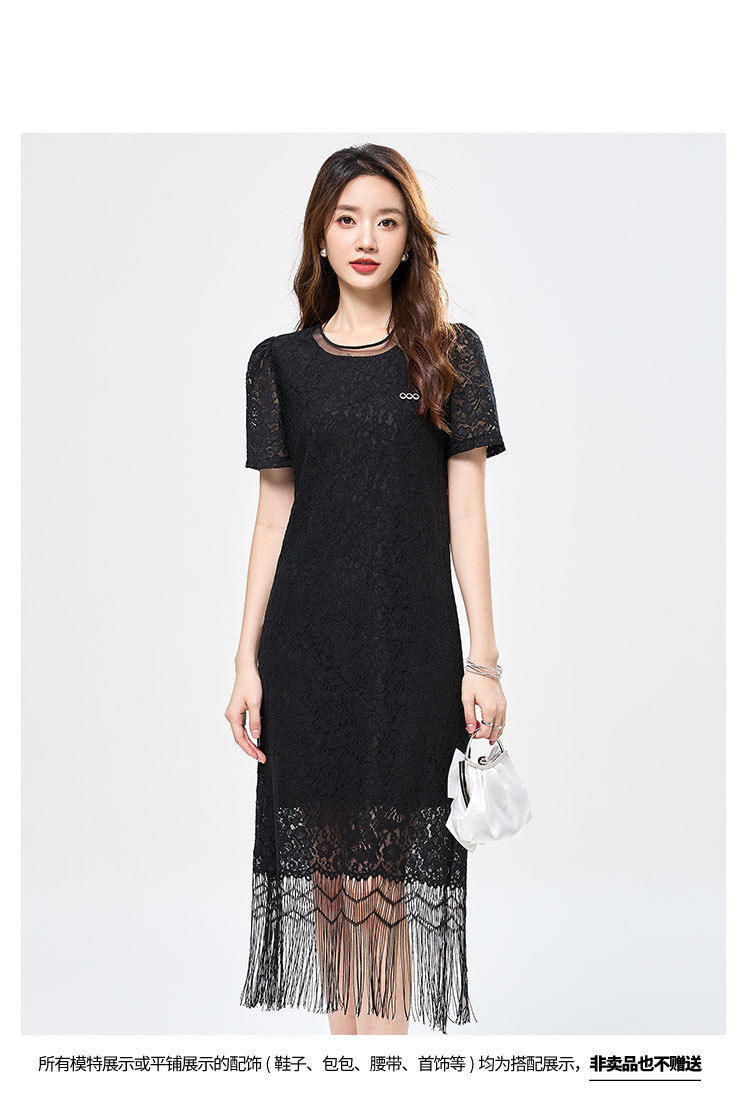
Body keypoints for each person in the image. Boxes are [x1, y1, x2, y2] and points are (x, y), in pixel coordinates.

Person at [226, 143, 507, 1036]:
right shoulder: (278, 363)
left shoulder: (450, 355)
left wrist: (484, 661)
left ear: (409, 240)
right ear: (321, 234)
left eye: (387, 221)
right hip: (306, 658)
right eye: (347, 219)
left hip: (409, 656)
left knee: (383, 907)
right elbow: (273, 518)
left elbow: (468, 516)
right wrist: (245, 663)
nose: (365, 238)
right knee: (333, 906)